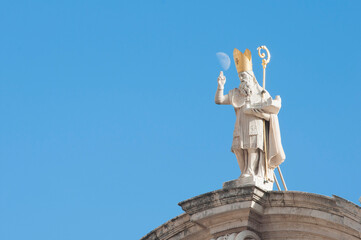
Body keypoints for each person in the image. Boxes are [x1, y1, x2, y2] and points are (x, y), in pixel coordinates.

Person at [215, 48, 285, 181]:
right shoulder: (236, 93)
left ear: (252, 77)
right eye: (240, 77)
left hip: (254, 125)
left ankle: (251, 172)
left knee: (252, 147)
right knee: (238, 149)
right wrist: (220, 86)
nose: (242, 79)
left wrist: (260, 112)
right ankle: (244, 173)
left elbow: (271, 113)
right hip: (240, 126)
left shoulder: (262, 94)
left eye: (244, 76)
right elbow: (219, 100)